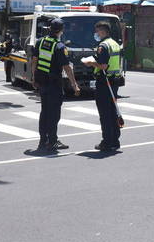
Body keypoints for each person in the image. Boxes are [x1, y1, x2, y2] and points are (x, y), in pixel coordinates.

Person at [30, 19, 80, 152]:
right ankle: (52, 141)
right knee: (54, 114)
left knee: (44, 112)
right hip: (54, 84)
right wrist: (74, 85)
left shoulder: (40, 42)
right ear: (61, 30)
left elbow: (34, 61)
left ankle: (43, 140)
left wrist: (34, 77)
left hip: (42, 82)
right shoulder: (59, 46)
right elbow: (67, 68)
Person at [84, 21, 122, 151]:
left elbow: (103, 66)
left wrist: (90, 63)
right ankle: (115, 141)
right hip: (114, 82)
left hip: (104, 82)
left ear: (103, 31)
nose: (97, 34)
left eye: (98, 31)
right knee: (112, 112)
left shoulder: (103, 46)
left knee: (105, 114)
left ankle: (106, 142)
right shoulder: (114, 44)